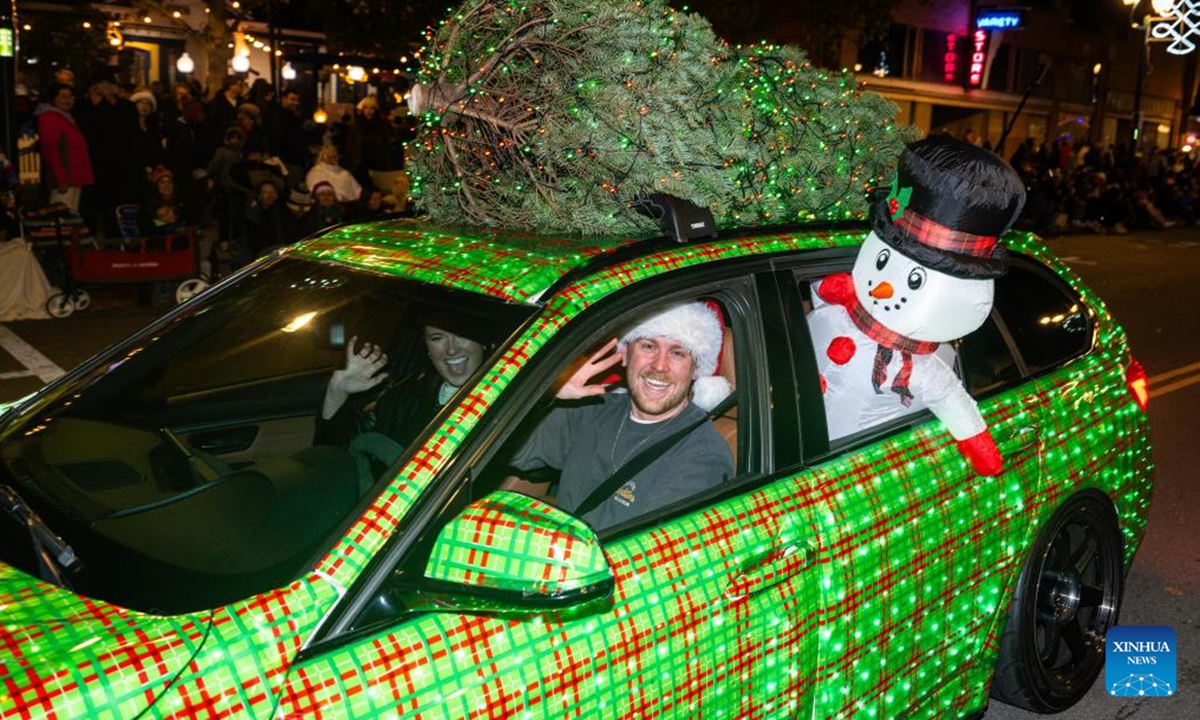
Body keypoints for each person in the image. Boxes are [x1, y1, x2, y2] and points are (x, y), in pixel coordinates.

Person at [506, 302, 733, 531]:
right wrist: (542, 393)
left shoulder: (702, 458)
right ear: (625, 354)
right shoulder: (595, 407)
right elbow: (509, 449)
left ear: (696, 369)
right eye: (648, 346)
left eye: (677, 353)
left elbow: (647, 555)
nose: (659, 366)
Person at [315, 323, 488, 491]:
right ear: (427, 347)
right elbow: (336, 453)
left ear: (484, 342)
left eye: (463, 336)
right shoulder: (409, 391)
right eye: (437, 338)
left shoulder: (505, 400)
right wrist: (338, 390)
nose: (451, 349)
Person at [35, 83, 93, 212]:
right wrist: (61, 179)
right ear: (54, 98)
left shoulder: (65, 117)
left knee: (71, 215)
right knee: (63, 214)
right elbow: (51, 150)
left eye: (71, 97)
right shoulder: (50, 118)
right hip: (66, 177)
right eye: (63, 97)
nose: (68, 101)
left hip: (74, 176)